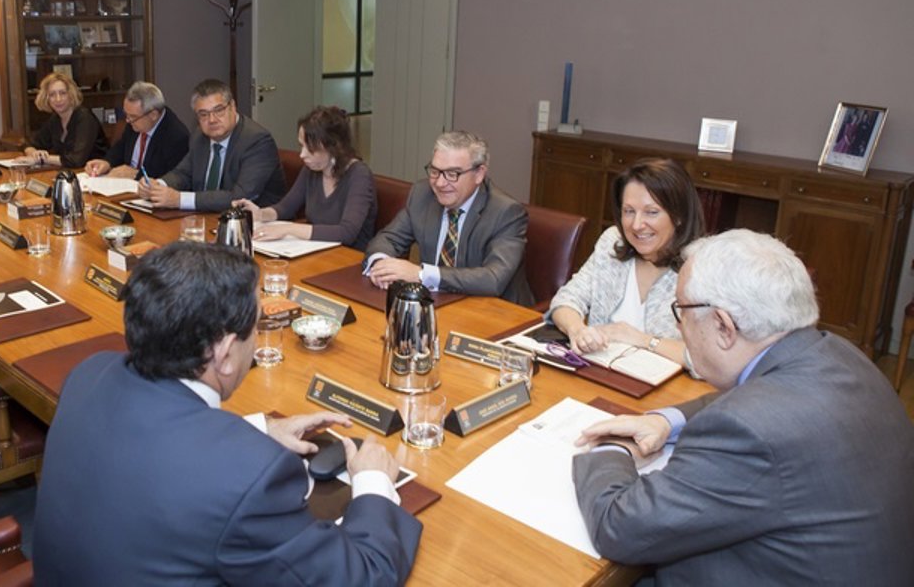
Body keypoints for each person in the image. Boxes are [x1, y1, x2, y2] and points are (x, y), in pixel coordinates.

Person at [34, 242, 422, 585]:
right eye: (256, 327)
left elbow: (153, 446)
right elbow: (361, 577)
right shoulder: (248, 475)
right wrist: (373, 482)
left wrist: (258, 430)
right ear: (224, 353)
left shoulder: (90, 373)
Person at [572, 229, 914, 585]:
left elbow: (620, 528)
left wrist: (611, 448)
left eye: (681, 311)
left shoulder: (748, 429)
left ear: (724, 326)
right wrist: (666, 420)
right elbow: (757, 397)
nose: (678, 325)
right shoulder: (838, 353)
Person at [546, 158, 703, 366]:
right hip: (599, 372)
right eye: (629, 211)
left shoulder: (702, 268)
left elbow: (707, 359)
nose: (636, 225)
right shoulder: (613, 242)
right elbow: (565, 300)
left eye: (651, 212)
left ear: (679, 215)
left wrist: (642, 340)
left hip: (661, 382)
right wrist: (578, 330)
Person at [364, 131, 532, 305]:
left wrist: (421, 274)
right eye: (435, 171)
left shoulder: (506, 212)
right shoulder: (423, 194)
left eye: (452, 174)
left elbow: (493, 278)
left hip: (496, 310)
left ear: (479, 174)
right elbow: (389, 238)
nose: (440, 183)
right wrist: (382, 265)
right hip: (437, 304)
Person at [235, 105, 377, 250]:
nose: (302, 155)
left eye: (310, 148)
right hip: (318, 249)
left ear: (333, 147)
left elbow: (347, 233)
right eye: (301, 146)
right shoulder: (312, 169)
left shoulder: (359, 175)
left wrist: (288, 229)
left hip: (348, 255)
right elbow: (286, 208)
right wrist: (260, 214)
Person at [138, 79, 285, 212]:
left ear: (233, 107)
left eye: (219, 110)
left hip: (254, 224)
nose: (212, 120)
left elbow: (240, 197)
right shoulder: (199, 136)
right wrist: (157, 186)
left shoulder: (257, 141)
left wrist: (179, 199)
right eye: (203, 114)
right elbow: (183, 173)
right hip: (208, 217)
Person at [83, 80, 189, 179]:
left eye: (132, 117)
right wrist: (107, 162)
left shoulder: (177, 137)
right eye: (126, 114)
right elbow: (121, 148)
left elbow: (173, 177)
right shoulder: (136, 121)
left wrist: (136, 174)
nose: (127, 120)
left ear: (153, 115)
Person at [23, 73, 106, 169]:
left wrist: (42, 159)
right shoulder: (55, 119)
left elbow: (76, 161)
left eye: (63, 93)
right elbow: (30, 144)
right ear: (46, 98)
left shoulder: (85, 118)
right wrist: (34, 153)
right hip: (72, 172)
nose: (58, 99)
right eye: (52, 95)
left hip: (96, 173)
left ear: (71, 95)